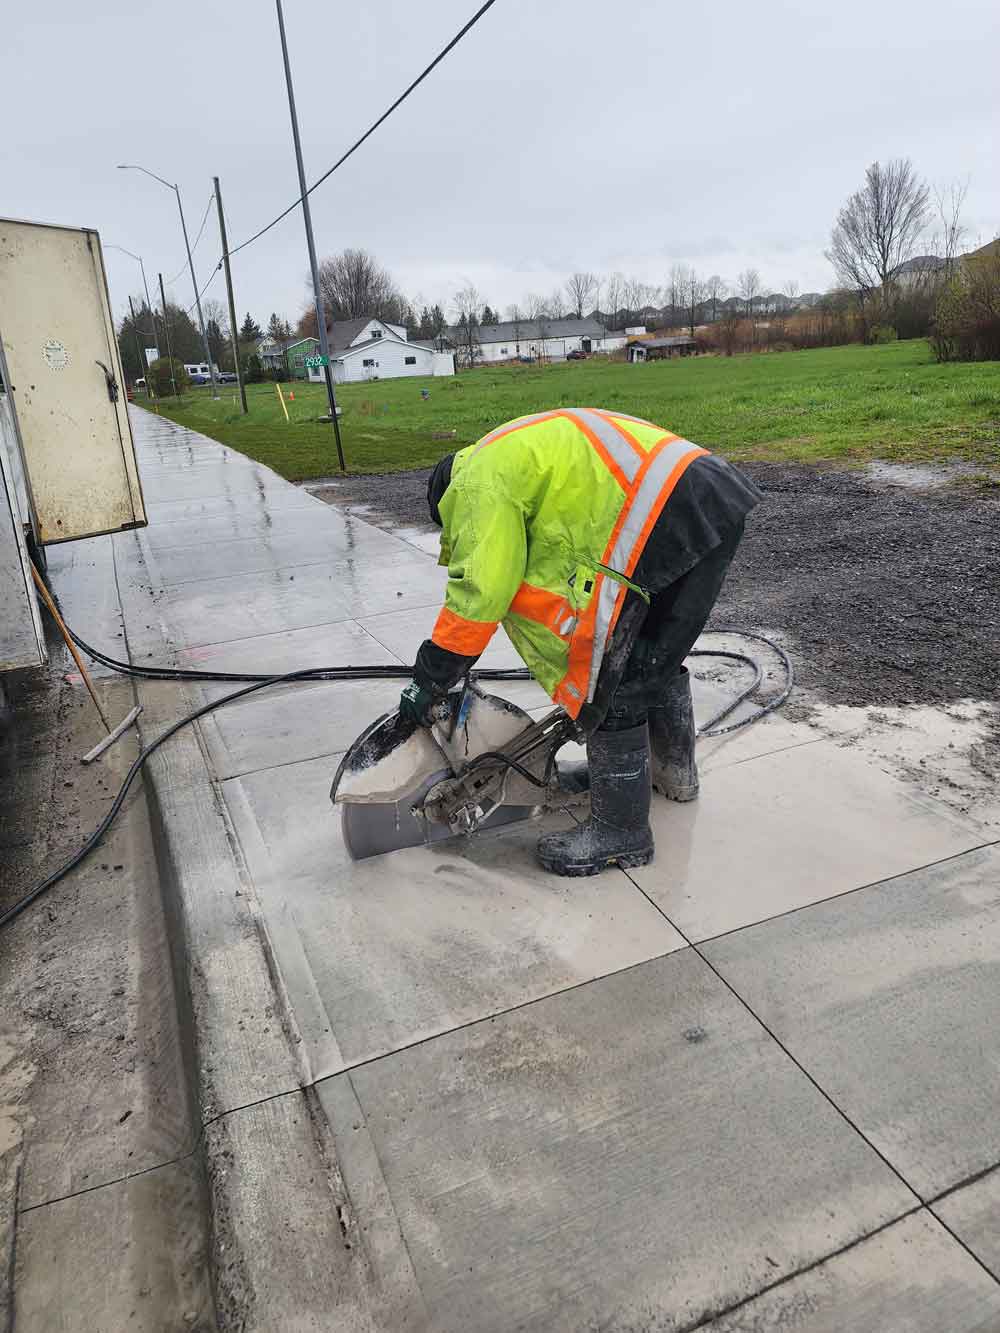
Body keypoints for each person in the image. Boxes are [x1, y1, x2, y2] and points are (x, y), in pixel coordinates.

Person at [399, 408, 761, 877]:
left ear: (446, 498)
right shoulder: (507, 451)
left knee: (614, 675)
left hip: (671, 510)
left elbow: (482, 590)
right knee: (652, 658)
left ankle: (622, 831)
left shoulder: (475, 485)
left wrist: (433, 675)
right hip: (706, 494)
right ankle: (670, 774)